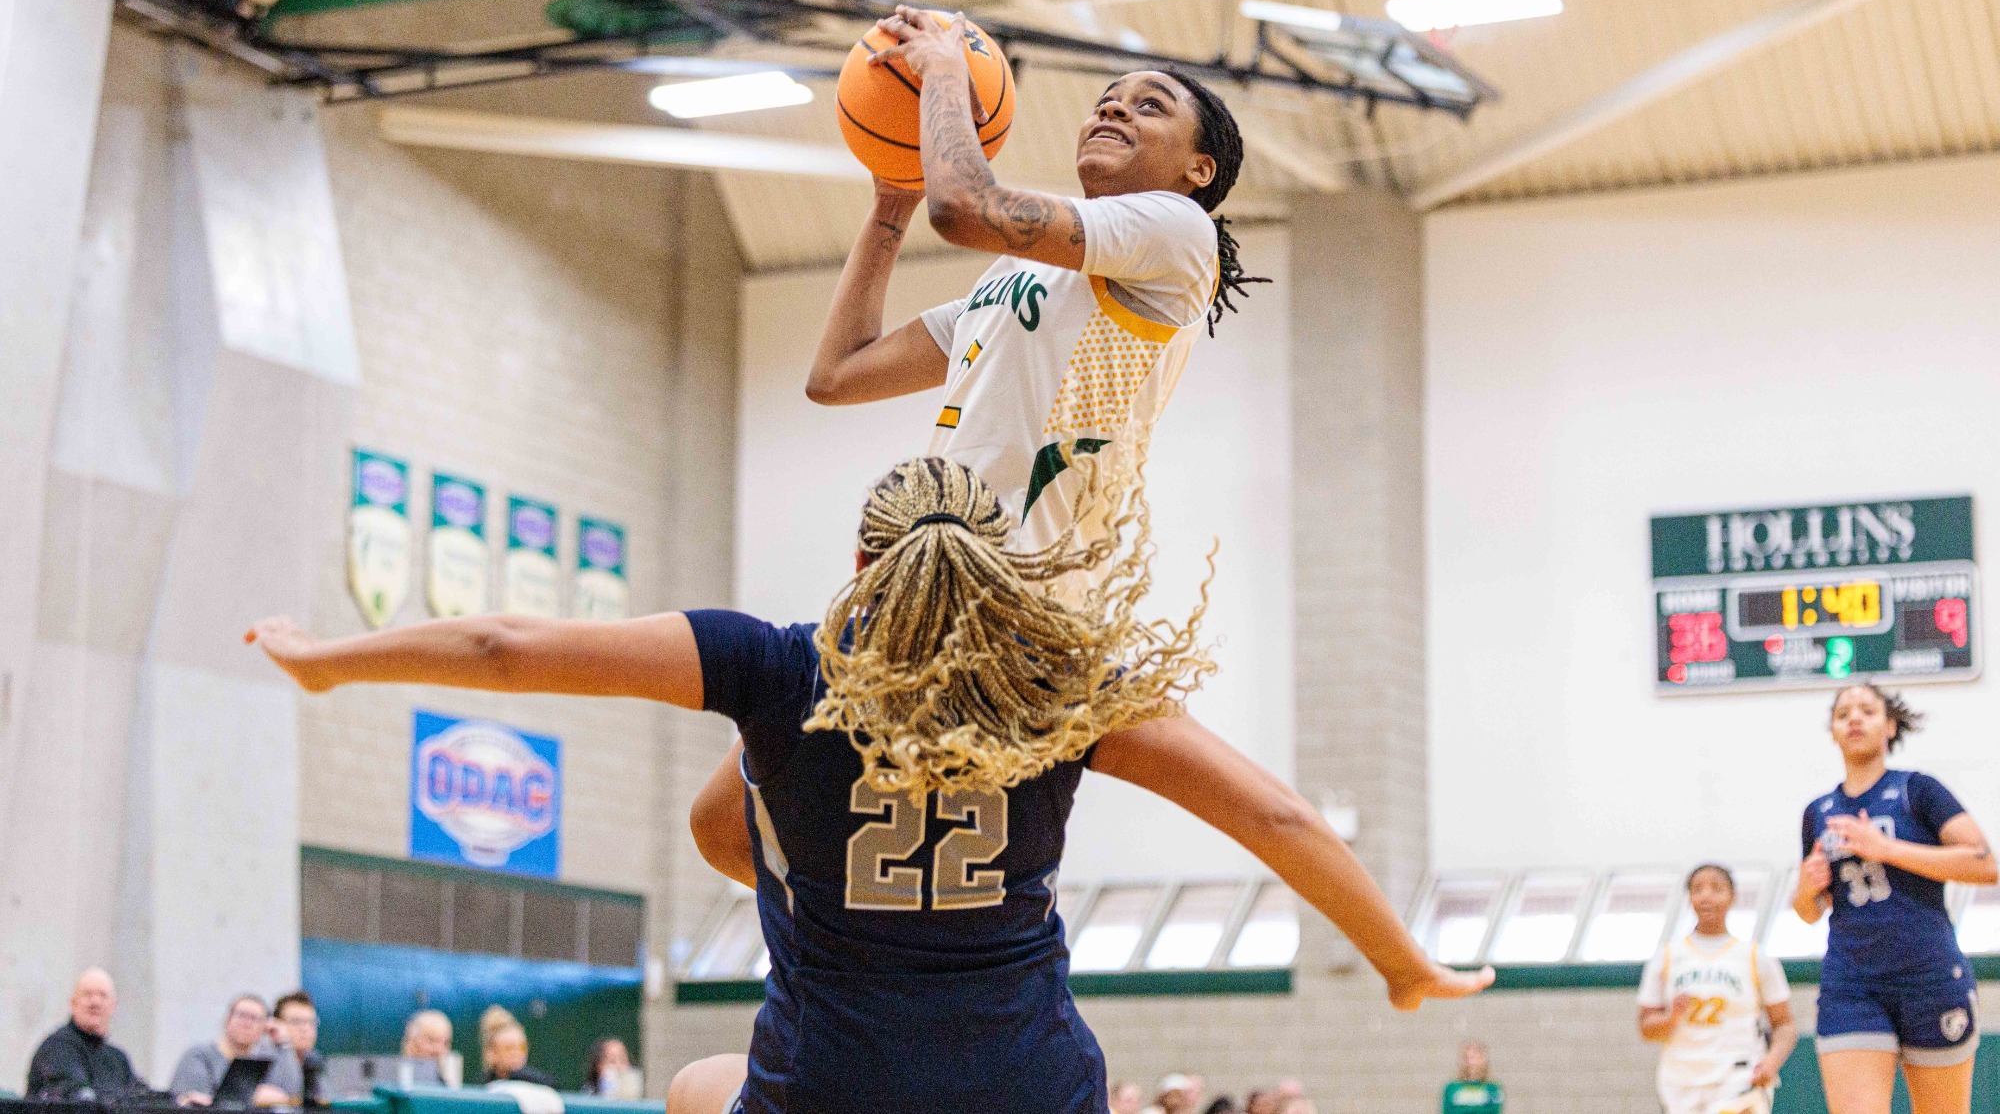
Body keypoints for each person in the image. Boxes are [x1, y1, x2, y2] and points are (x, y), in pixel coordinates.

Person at [248, 457, 1490, 1114]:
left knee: (691, 1087)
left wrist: (328, 664)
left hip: (834, 1081)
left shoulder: (775, 667)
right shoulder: (1063, 693)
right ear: (999, 575)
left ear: (856, 561)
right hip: (1028, 1087)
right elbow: (1276, 814)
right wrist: (1397, 960)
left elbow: (501, 648)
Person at [692, 2, 1266, 916]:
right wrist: (890, 199)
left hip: (1017, 607)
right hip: (917, 582)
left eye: (1148, 106)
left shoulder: (1175, 235)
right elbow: (836, 375)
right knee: (721, 826)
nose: (1112, 110)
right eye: (1105, 100)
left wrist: (948, 68)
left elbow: (966, 207)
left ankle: (924, 972)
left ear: (1199, 171)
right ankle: (885, 952)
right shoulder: (1017, 278)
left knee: (984, 868)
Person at [1792, 683, 1997, 1114]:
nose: (1854, 718)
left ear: (1889, 726)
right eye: (1843, 712)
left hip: (1930, 978)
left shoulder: (1918, 790)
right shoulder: (1819, 811)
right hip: (1852, 985)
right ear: (1832, 730)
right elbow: (1808, 912)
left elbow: (1985, 865)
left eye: (1867, 710)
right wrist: (1805, 889)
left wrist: (1884, 848)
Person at [1639, 864, 1797, 1114]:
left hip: (1738, 1076)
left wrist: (1772, 1062)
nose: (1706, 896)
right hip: (1681, 1080)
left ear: (1732, 896)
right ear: (1689, 898)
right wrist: (1672, 1017)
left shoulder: (1754, 956)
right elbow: (1646, 1028)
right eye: (1698, 889)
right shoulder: (1667, 956)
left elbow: (1785, 1024)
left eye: (1716, 888)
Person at [24, 968, 145, 1100]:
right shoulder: (57, 1048)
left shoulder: (118, 1059)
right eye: (87, 995)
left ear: (113, 1005)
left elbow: (138, 1096)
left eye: (103, 995)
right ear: (73, 1003)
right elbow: (76, 1099)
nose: (95, 1002)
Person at [169, 994, 301, 1107]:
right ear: (227, 1020)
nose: (247, 1024)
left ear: (265, 1027)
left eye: (255, 1019)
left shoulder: (263, 1060)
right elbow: (194, 1102)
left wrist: (284, 1044)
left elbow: (291, 1093)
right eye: (242, 1015)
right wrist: (251, 1097)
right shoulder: (199, 1056)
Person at [272, 992, 324, 1107]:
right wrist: (284, 1044)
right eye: (296, 1022)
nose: (305, 1028)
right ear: (277, 1025)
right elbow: (292, 1092)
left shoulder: (313, 1059)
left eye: (311, 1022)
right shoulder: (263, 1059)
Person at [481, 1020, 555, 1088]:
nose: (516, 1053)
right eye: (509, 1048)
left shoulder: (541, 1084)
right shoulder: (483, 1086)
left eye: (522, 1047)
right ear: (491, 1053)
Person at [1440, 1041, 1503, 1114]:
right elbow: (1448, 1111)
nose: (1471, 1063)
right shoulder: (1451, 1088)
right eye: (1467, 1058)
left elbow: (1493, 1111)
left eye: (1475, 1058)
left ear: (1483, 1061)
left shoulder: (1493, 1088)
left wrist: (1463, 1109)